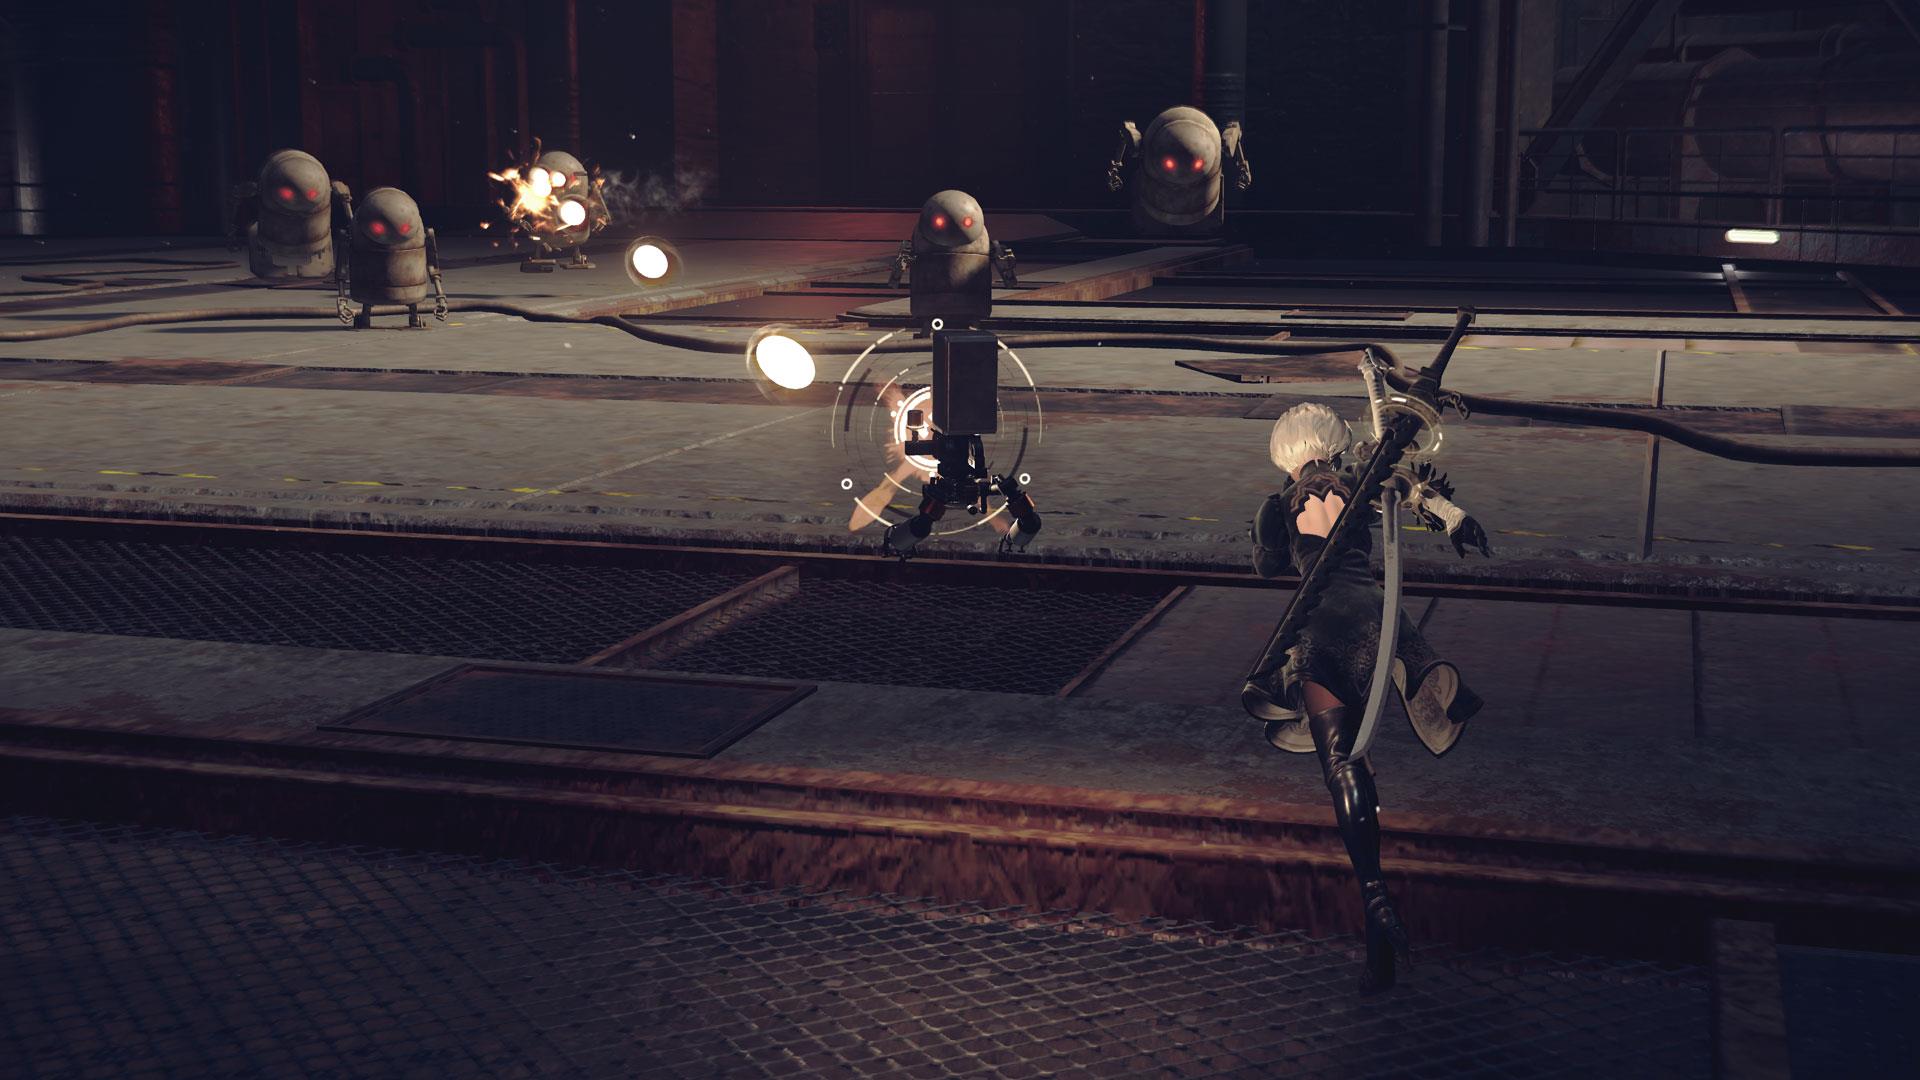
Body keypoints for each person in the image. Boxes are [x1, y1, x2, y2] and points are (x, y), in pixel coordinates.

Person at [1249, 402, 1489, 993]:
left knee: (1344, 767)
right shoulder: (1363, 478)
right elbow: (1419, 495)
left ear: (1282, 452)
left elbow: (1266, 567)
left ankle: (1375, 894)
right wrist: (1455, 519)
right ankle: (1378, 951)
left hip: (1320, 623)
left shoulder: (1275, 505)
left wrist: (1279, 526)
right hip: (1377, 619)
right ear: (1334, 442)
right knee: (1363, 764)